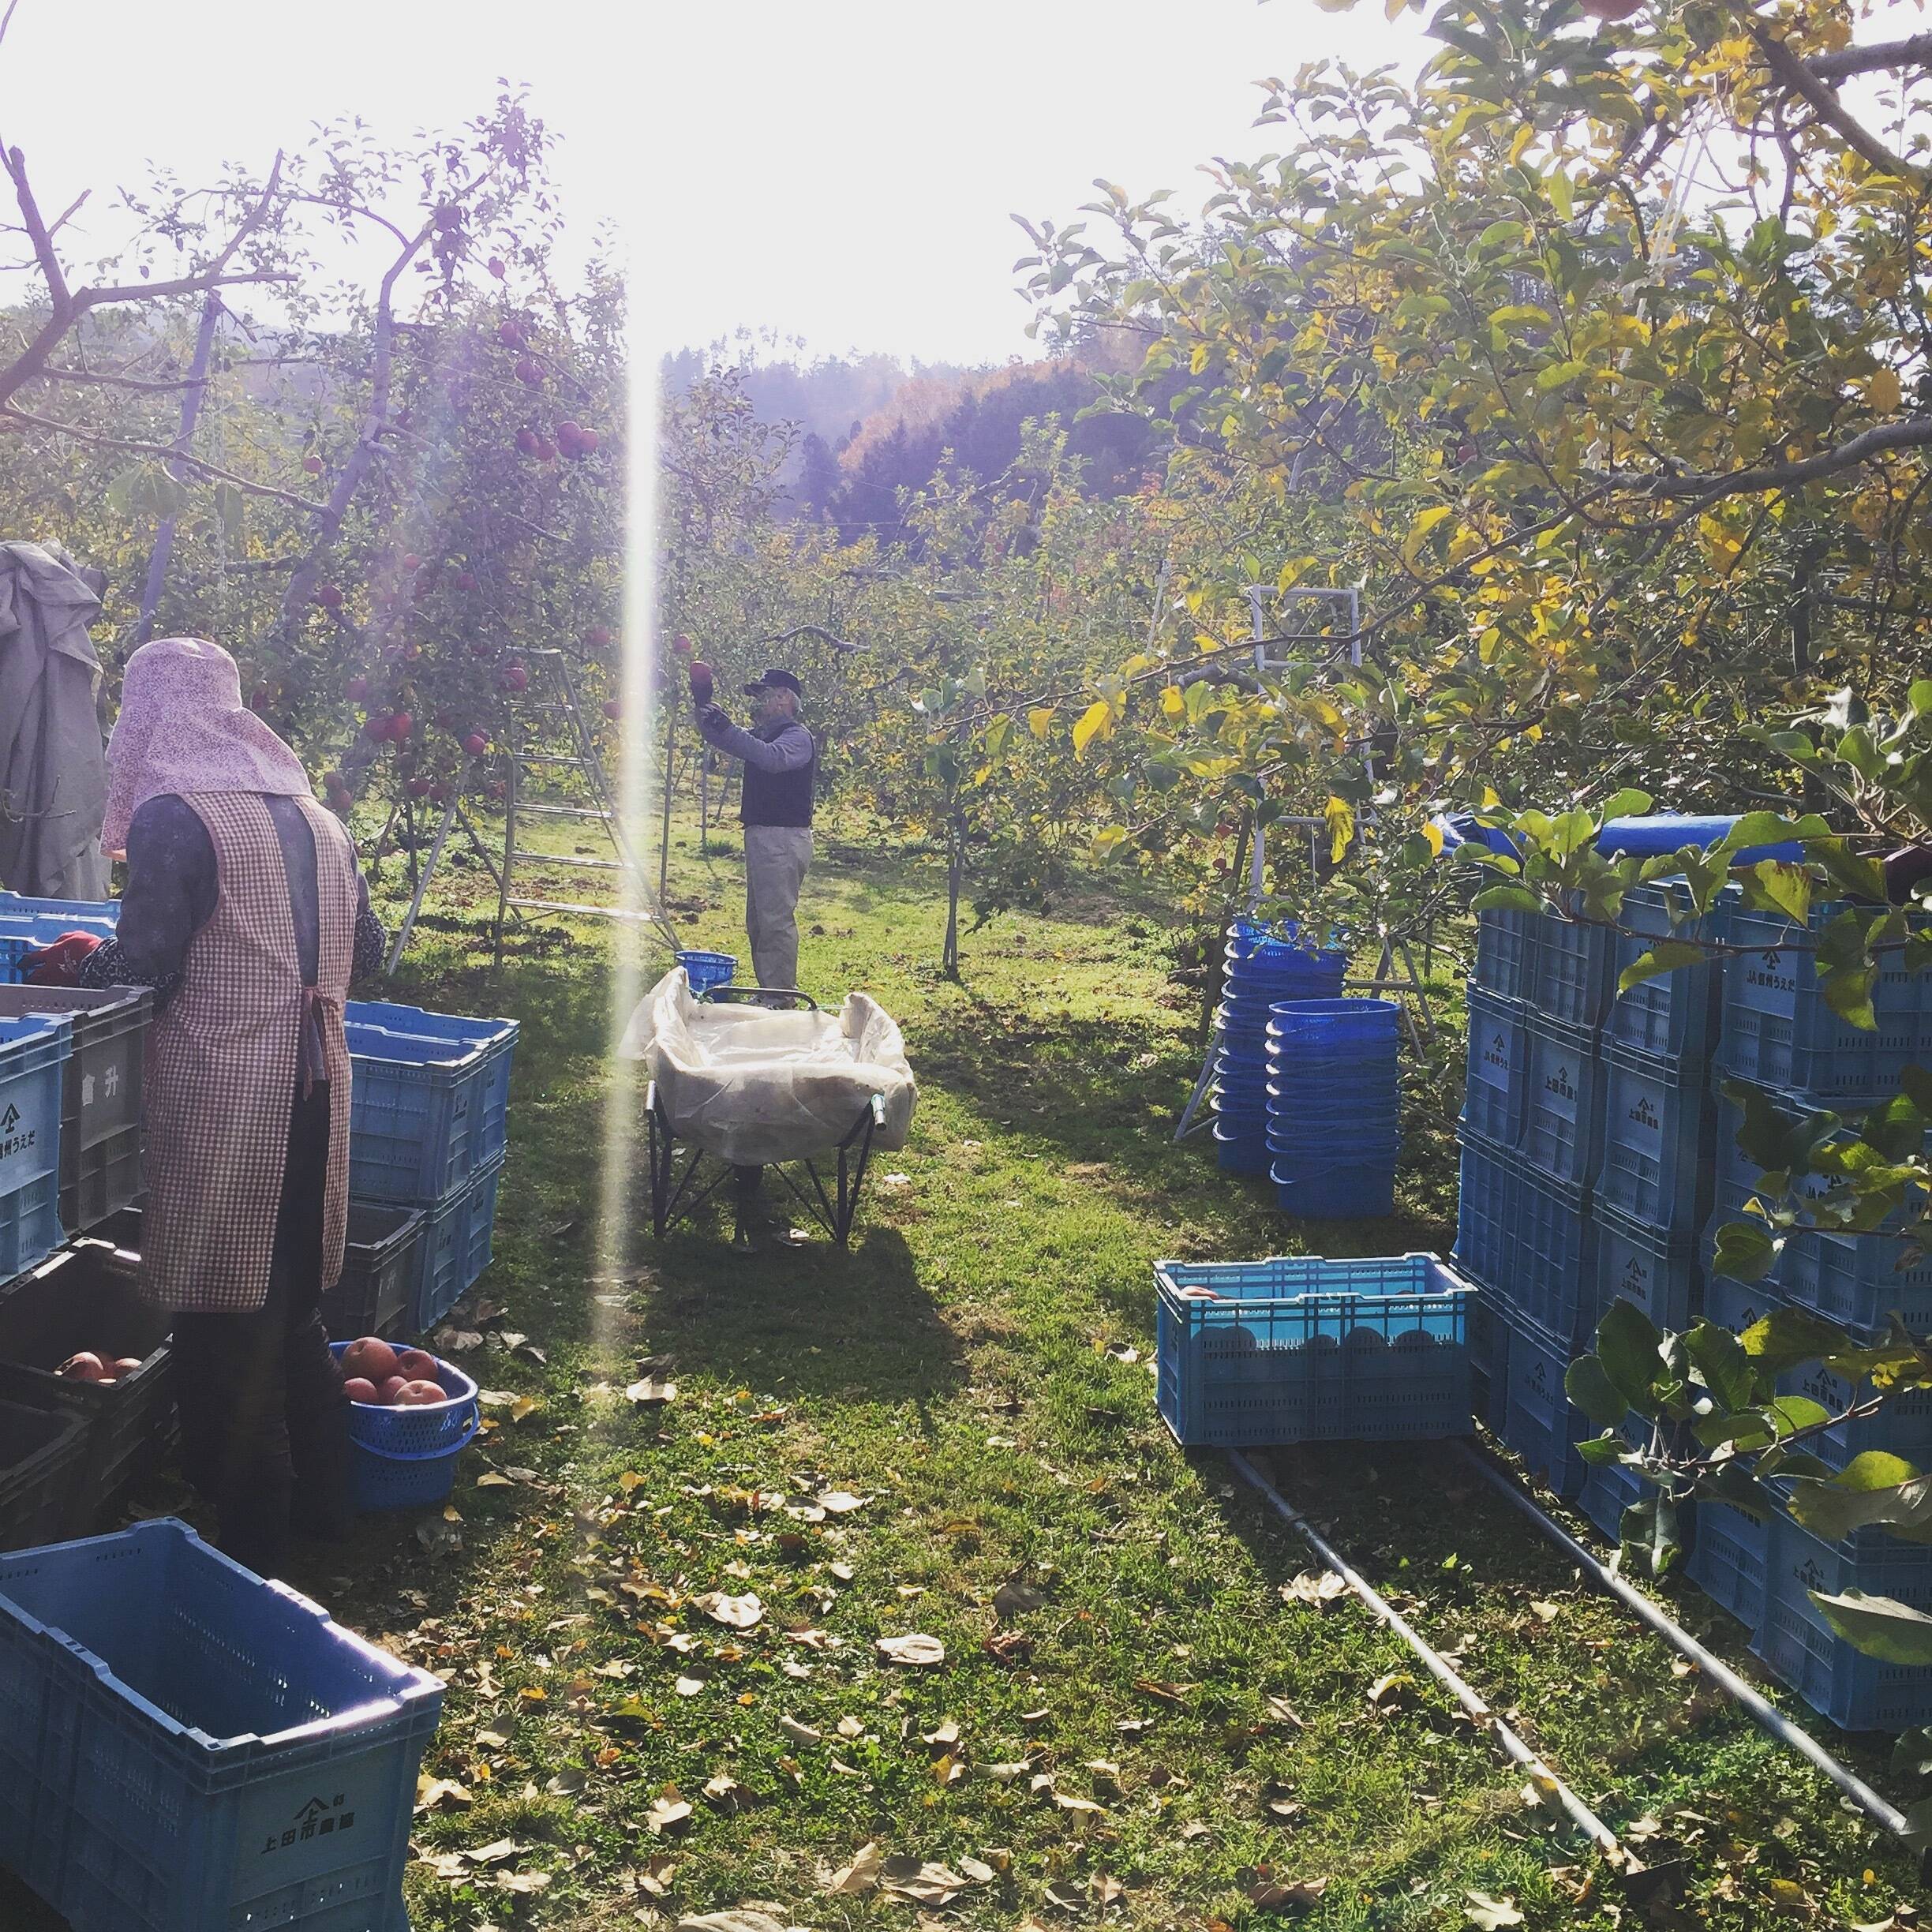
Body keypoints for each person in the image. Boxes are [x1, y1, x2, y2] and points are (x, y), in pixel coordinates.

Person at [24, 638, 384, 1577]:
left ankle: (250, 1553)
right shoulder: (317, 818)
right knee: (293, 1306)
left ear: (147, 718)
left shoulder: (177, 816)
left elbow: (145, 966)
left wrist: (59, 970)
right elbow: (369, 955)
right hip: (318, 1083)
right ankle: (331, 1514)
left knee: (222, 1330)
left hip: (233, 1099)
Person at [695, 665, 816, 990]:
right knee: (760, 921)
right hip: (765, 837)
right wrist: (703, 707)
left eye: (762, 694)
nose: (756, 702)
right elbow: (727, 739)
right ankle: (770, 992)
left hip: (783, 839)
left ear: (783, 698)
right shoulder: (763, 735)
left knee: (775, 921)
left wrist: (729, 728)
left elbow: (771, 758)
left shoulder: (796, 737)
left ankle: (779, 996)